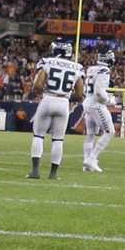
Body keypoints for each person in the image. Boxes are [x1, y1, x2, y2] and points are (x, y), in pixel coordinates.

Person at [28, 40, 84, 180]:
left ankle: (35, 171)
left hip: (48, 99)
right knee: (58, 139)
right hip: (63, 102)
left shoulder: (47, 62)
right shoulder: (77, 67)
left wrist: (41, 92)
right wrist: (65, 96)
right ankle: (53, 174)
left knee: (38, 136)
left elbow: (38, 85)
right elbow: (79, 94)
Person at [81, 50, 117, 173]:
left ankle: (86, 162)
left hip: (87, 101)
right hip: (96, 104)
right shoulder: (104, 70)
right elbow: (99, 92)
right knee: (110, 131)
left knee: (90, 133)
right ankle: (92, 158)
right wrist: (109, 100)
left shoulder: (91, 68)